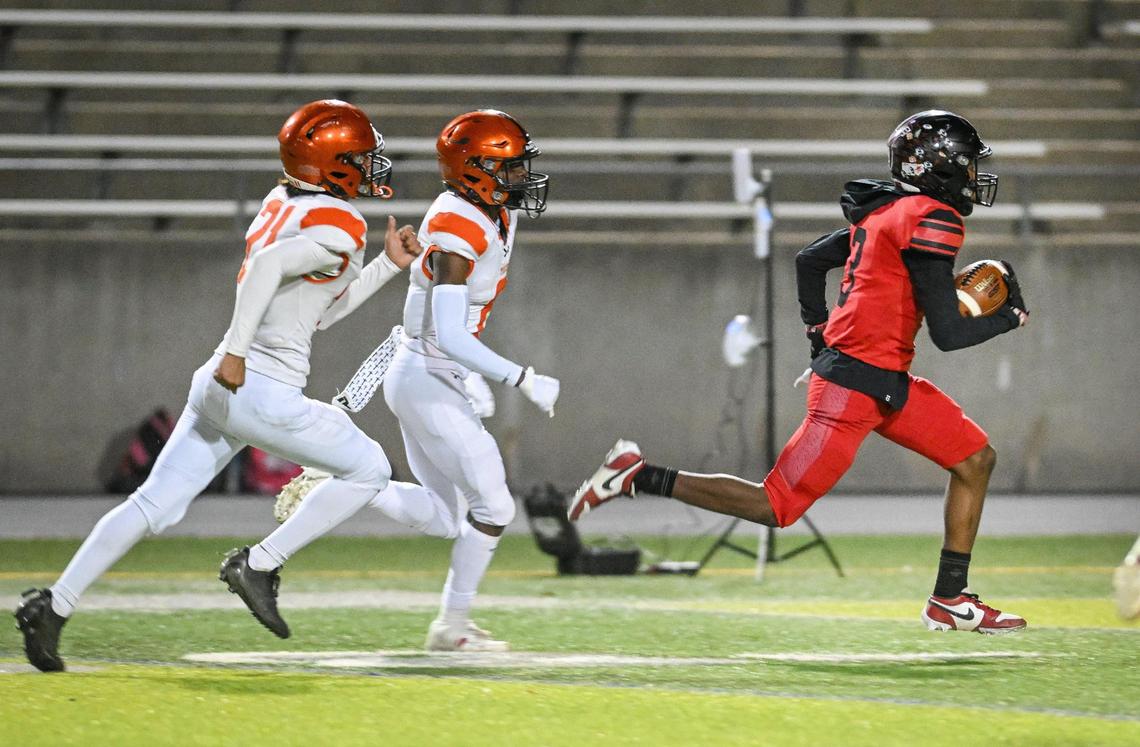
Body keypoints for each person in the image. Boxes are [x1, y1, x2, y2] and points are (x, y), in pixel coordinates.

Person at [14, 99, 453, 671]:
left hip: (218, 383)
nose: (373, 165)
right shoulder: (341, 221)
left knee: (152, 504)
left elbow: (315, 311)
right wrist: (241, 355)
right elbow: (270, 268)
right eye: (361, 156)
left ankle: (53, 606)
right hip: (259, 386)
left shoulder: (279, 201)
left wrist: (387, 266)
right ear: (333, 162)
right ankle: (261, 564)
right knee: (368, 468)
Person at [569, 110, 1030, 635]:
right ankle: (636, 474)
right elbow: (947, 334)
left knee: (974, 459)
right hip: (854, 387)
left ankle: (949, 598)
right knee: (776, 505)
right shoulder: (932, 219)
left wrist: (818, 331)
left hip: (883, 382)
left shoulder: (889, 211)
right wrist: (1006, 320)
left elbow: (810, 260)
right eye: (967, 164)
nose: (974, 175)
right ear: (938, 168)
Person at [379, 109, 559, 651]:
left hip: (432, 371)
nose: (521, 178)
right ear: (473, 169)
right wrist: (520, 377)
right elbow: (448, 334)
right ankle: (450, 628)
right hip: (427, 370)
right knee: (495, 507)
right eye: (509, 168)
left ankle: (350, 483)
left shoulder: (494, 210)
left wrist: (464, 374)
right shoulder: (457, 224)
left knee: (446, 517)